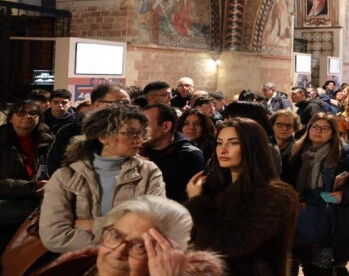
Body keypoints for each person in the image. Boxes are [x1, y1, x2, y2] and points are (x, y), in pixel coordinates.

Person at [40, 104, 166, 253]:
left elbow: (155, 225)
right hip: (81, 265)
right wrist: (120, 245)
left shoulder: (148, 172)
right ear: (104, 137)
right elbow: (55, 236)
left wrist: (93, 224)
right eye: (131, 133)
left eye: (141, 133)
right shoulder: (67, 176)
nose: (139, 140)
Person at [186, 118, 298, 275]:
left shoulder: (276, 195)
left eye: (233, 143)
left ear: (252, 147)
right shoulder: (214, 188)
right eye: (219, 143)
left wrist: (197, 202)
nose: (222, 150)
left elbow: (230, 244)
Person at [37, 195, 225, 276]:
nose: (117, 252)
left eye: (140, 246)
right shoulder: (74, 266)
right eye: (116, 236)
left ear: (169, 255)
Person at [282, 113, 349, 275]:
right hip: (303, 215)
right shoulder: (295, 151)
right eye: (315, 127)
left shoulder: (346, 154)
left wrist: (342, 195)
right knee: (308, 264)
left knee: (327, 266)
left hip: (332, 217)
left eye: (324, 128)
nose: (318, 131)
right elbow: (286, 182)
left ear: (333, 132)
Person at [0, 100, 54, 271]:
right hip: (6, 201)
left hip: (45, 199)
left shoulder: (49, 142)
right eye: (21, 113)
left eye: (32, 113)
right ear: (11, 117)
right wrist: (29, 188)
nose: (26, 117)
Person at [47, 83, 131, 176]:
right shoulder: (71, 132)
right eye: (120, 103)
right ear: (98, 104)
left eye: (129, 104)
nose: (126, 109)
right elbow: (56, 167)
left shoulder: (133, 132)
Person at [142, 104, 204, 203]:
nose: (140, 130)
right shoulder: (138, 151)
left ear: (166, 126)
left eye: (146, 125)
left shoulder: (190, 156)